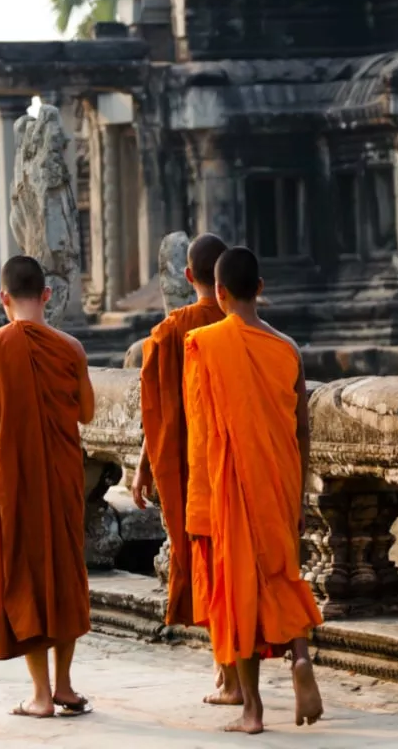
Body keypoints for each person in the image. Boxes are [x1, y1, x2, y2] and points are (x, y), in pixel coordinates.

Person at [183, 246, 324, 735]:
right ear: (260, 289)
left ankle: (253, 711)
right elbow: (302, 429)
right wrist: (300, 493)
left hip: (231, 485)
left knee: (239, 589)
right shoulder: (287, 348)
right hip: (280, 480)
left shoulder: (203, 345)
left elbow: (201, 431)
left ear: (219, 293)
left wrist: (200, 503)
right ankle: (301, 655)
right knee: (282, 570)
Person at [0, 255, 95, 719]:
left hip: (13, 481)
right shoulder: (70, 348)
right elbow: (87, 414)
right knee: (65, 571)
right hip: (62, 478)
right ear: (47, 295)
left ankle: (40, 696)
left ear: (3, 299)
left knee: (26, 576)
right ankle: (66, 686)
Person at [131, 233, 240, 704]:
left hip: (193, 470)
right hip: (240, 466)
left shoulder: (173, 332)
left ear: (188, 276)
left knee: (208, 564)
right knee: (237, 564)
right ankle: (238, 664)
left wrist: (143, 469)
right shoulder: (251, 329)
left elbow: (157, 411)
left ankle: (227, 668)